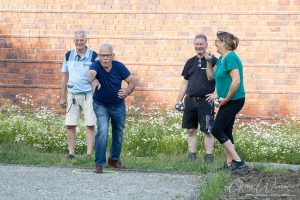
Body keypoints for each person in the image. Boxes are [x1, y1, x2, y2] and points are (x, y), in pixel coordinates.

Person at [88, 43, 135, 174]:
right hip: (101, 105)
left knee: (118, 132)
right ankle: (99, 163)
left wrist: (127, 91)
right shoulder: (95, 65)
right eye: (102, 55)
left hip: (118, 105)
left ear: (112, 56)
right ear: (99, 56)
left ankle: (114, 159)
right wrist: (93, 81)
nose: (104, 58)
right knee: (102, 130)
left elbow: (131, 81)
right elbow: (90, 74)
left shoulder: (119, 66)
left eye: (107, 55)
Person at [206, 31, 247, 172]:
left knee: (216, 130)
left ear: (223, 42)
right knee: (226, 131)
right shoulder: (222, 59)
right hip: (226, 100)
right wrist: (209, 61)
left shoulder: (231, 58)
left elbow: (236, 80)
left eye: (217, 41)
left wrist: (226, 99)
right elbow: (211, 77)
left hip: (234, 100)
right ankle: (230, 165)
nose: (215, 43)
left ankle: (238, 161)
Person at [175, 34, 218, 163]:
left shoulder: (214, 61)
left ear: (206, 45)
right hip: (190, 101)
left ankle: (209, 157)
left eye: (201, 44)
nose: (199, 46)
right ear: (194, 45)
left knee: (208, 131)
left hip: (206, 102)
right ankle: (191, 157)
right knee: (191, 130)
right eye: (197, 44)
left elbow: (221, 79)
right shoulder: (190, 62)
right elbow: (185, 83)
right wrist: (178, 100)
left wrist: (216, 93)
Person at [58, 29, 98, 158]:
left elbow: (99, 75)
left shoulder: (94, 55)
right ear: (74, 41)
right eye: (77, 40)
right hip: (72, 95)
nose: (79, 42)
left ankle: (89, 154)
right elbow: (64, 77)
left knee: (90, 124)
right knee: (70, 124)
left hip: (89, 95)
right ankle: (71, 153)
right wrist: (62, 97)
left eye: (82, 40)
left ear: (86, 40)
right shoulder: (68, 55)